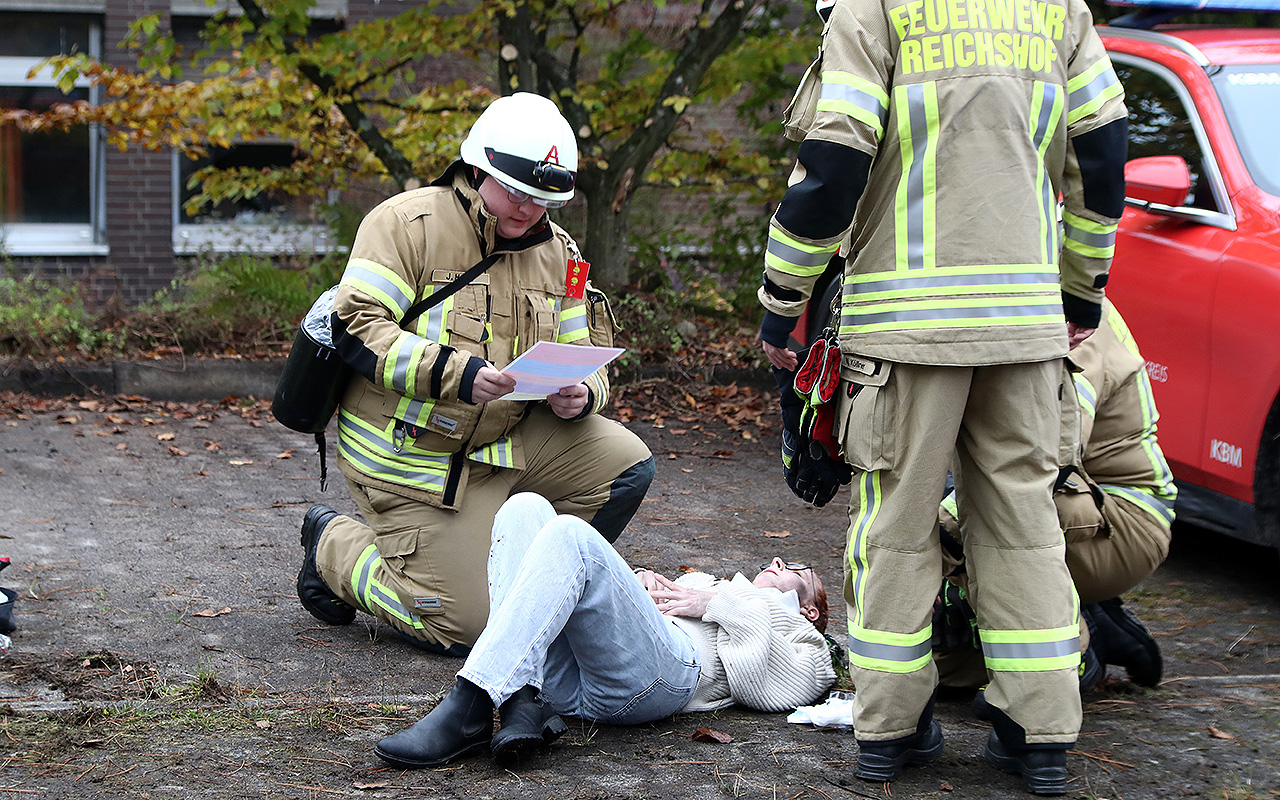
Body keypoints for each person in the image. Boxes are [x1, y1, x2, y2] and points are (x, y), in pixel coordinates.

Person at [757, 0, 1129, 794]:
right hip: (1025, 334)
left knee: (896, 529)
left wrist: (782, 295)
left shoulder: (876, 8)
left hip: (905, 337)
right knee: (1026, 531)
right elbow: (1101, 152)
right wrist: (1081, 289)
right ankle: (1041, 739)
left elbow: (836, 154)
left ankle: (890, 733)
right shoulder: (1057, 8)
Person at [296, 93, 655, 658]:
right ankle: (333, 548)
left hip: (500, 445)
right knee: (471, 629)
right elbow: (358, 323)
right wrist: (454, 373)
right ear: (477, 167)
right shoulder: (403, 224)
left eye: (544, 200)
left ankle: (531, 585)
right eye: (517, 192)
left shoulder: (559, 252)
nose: (529, 210)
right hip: (411, 461)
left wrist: (583, 393)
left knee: (624, 465)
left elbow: (584, 349)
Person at [373, 492, 837, 769]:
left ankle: (472, 703)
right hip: (580, 673)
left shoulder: (804, 635)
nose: (777, 562)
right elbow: (631, 618)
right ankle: (522, 703)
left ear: (811, 608)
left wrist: (720, 602)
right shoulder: (709, 583)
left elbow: (793, 684)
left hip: (660, 682)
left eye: (796, 568)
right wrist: (637, 585)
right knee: (524, 508)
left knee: (571, 534)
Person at [933, 299, 1175, 692]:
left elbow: (1048, 453)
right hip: (1070, 501)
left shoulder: (1075, 316)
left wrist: (943, 537)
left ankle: (1074, 656)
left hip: (1123, 517)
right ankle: (1086, 616)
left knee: (957, 522)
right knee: (941, 671)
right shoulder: (1002, 291)